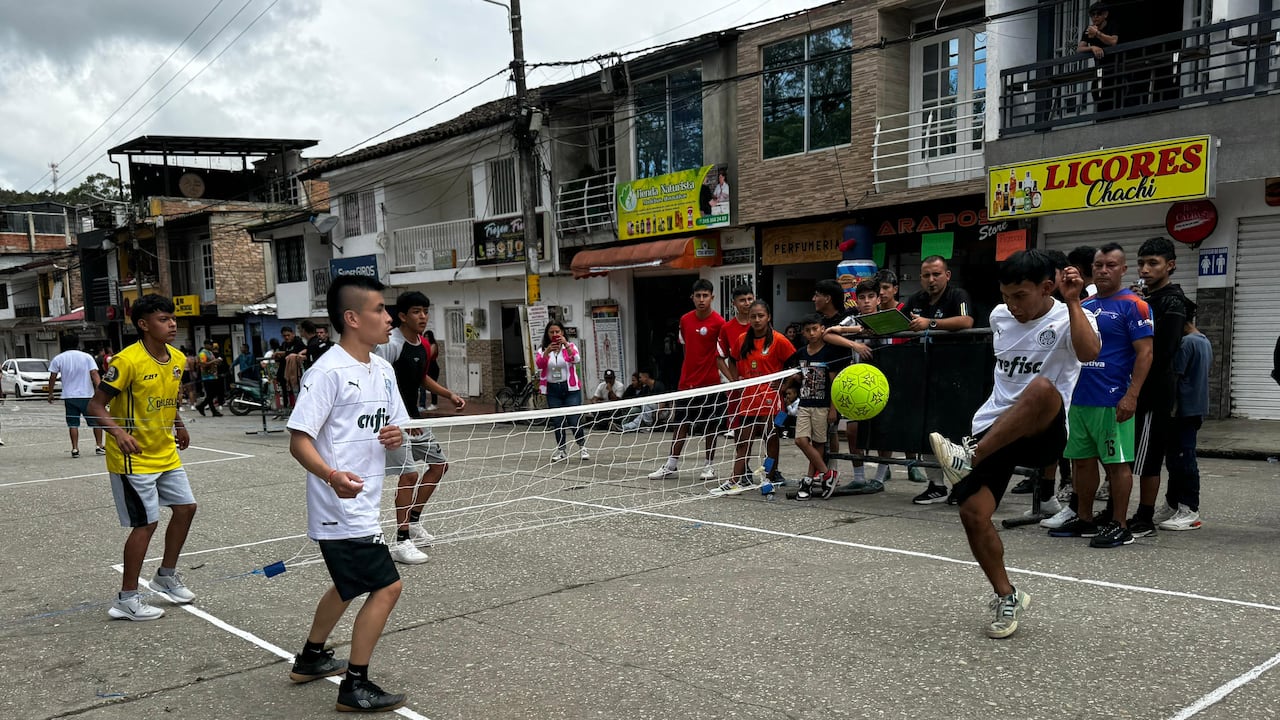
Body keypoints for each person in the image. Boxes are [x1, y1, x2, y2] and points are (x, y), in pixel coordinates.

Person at [929, 250, 1099, 638]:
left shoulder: (1071, 316)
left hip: (1045, 429)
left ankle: (967, 456)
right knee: (973, 514)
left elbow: (1090, 354)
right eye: (1006, 295)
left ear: (1046, 287)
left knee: (1041, 387)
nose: (1012, 305)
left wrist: (1073, 301)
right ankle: (1007, 595)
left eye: (1021, 296)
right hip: (997, 426)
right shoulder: (999, 316)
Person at [285, 274, 409, 713]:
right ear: (353, 318)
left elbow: (395, 426)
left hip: (366, 501)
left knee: (347, 584)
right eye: (380, 309)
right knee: (387, 588)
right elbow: (299, 438)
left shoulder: (383, 369)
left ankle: (312, 657)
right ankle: (355, 685)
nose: (389, 317)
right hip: (340, 505)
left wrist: (395, 435)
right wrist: (331, 475)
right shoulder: (327, 372)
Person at [87, 294, 197, 622]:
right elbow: (94, 407)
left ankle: (165, 575)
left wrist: (178, 424)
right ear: (144, 325)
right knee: (145, 524)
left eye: (172, 318)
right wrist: (119, 434)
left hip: (164, 452)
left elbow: (168, 399)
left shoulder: (177, 358)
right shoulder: (127, 361)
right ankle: (127, 598)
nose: (172, 324)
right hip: (133, 460)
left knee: (186, 508)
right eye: (164, 319)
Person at [1048, 243, 1153, 547]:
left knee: (1117, 464)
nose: (1103, 270)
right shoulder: (1085, 305)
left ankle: (1120, 524)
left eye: (1110, 265)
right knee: (1082, 462)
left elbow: (1145, 354)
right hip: (1079, 398)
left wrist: (1131, 396)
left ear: (1123, 269)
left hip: (1112, 399)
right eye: (1098, 265)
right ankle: (1085, 519)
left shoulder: (1135, 305)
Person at [375, 292, 465, 565]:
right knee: (409, 476)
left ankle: (413, 520)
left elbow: (421, 377)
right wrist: (396, 419)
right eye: (416, 311)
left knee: (440, 466)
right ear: (402, 316)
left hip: (416, 419)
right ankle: (401, 541)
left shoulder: (424, 345)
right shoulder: (390, 345)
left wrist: (449, 395)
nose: (422, 316)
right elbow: (377, 381)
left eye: (425, 311)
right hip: (394, 422)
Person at [1128, 236, 1190, 538]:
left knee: (1149, 458)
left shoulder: (1173, 302)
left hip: (1155, 391)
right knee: (1126, 455)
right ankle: (1119, 512)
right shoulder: (1142, 300)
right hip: (1129, 388)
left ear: (1170, 265)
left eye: (1153, 263)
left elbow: (1163, 351)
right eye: (1142, 263)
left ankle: (1144, 516)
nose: (1146, 269)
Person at [905, 255, 976, 503]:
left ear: (947, 275)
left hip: (955, 374)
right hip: (924, 374)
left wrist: (930, 323)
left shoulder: (958, 296)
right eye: (926, 275)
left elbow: (967, 321)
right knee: (927, 430)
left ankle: (962, 483)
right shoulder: (915, 299)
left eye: (936, 274)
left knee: (956, 432)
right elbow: (900, 322)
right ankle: (936, 485)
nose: (931, 280)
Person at [714, 300, 795, 496]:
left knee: (770, 440)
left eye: (761, 316)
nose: (757, 320)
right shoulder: (742, 339)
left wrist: (784, 385)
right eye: (753, 316)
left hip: (771, 401)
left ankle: (769, 477)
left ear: (768, 317)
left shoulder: (779, 340)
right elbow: (731, 360)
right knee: (743, 441)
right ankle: (734, 480)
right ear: (748, 318)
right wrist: (736, 382)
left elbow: (795, 367)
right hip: (748, 399)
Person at [648, 279, 726, 481]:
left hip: (710, 383)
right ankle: (671, 465)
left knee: (711, 425)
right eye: (698, 295)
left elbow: (722, 353)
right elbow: (686, 349)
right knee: (680, 423)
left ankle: (709, 466)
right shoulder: (685, 320)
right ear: (692, 297)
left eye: (705, 295)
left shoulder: (719, 323)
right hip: (687, 383)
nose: (701, 300)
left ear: (712, 297)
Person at [789, 314, 853, 500]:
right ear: (803, 332)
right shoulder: (801, 353)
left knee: (818, 444)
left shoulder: (829, 353)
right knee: (801, 440)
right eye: (807, 330)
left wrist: (833, 408)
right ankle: (827, 474)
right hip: (805, 403)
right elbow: (801, 376)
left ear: (822, 329)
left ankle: (809, 479)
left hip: (823, 405)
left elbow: (834, 383)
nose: (811, 333)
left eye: (815, 329)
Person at [1159, 304, 1210, 531]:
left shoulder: (1186, 343)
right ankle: (1172, 504)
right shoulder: (1204, 340)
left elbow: (1175, 378)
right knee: (1175, 459)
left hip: (1182, 411)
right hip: (1195, 409)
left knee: (1184, 460)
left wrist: (1169, 411)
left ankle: (1189, 509)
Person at [535, 321, 589, 462]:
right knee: (558, 420)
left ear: (562, 332)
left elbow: (575, 359)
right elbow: (540, 364)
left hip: (570, 388)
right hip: (553, 389)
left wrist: (566, 344)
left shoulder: (570, 346)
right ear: (547, 334)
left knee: (573, 418)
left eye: (557, 332)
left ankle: (582, 446)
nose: (555, 335)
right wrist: (547, 351)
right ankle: (561, 449)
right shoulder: (542, 349)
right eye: (552, 332)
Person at [47, 340, 106, 457]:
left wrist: (51, 392)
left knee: (73, 424)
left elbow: (52, 376)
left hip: (69, 396)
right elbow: (94, 374)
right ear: (78, 345)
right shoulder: (86, 357)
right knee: (95, 422)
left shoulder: (59, 358)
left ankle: (75, 449)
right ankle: (99, 445)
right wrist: (100, 390)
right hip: (87, 395)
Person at [1078, 2, 1121, 112]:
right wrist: (1092, 48)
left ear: (1105, 14)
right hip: (1100, 69)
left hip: (1115, 67)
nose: (1095, 17)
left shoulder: (1112, 25)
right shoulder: (1089, 30)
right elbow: (1080, 49)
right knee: (1098, 93)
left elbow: (1113, 41)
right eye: (1092, 15)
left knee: (1116, 95)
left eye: (1098, 14)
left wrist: (1097, 34)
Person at [275, 326, 307, 408]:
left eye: (288, 335)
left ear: (293, 334)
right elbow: (281, 356)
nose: (286, 337)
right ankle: (286, 407)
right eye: (284, 336)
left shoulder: (298, 342)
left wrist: (284, 353)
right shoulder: (284, 344)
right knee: (285, 390)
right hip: (285, 372)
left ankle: (298, 407)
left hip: (296, 372)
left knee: (297, 390)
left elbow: (296, 352)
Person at [194, 339, 224, 417]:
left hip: (213, 376)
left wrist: (218, 362)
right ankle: (206, 408)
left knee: (212, 394)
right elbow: (203, 365)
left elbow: (212, 362)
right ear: (206, 345)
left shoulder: (210, 352)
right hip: (207, 377)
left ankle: (203, 407)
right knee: (211, 394)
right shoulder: (203, 353)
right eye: (210, 345)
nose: (211, 346)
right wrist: (213, 362)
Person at [423, 329, 440, 411]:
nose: (426, 338)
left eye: (427, 337)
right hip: (427, 366)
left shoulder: (433, 345)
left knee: (433, 384)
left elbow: (429, 355)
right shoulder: (425, 344)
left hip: (433, 366)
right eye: (425, 336)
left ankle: (434, 403)